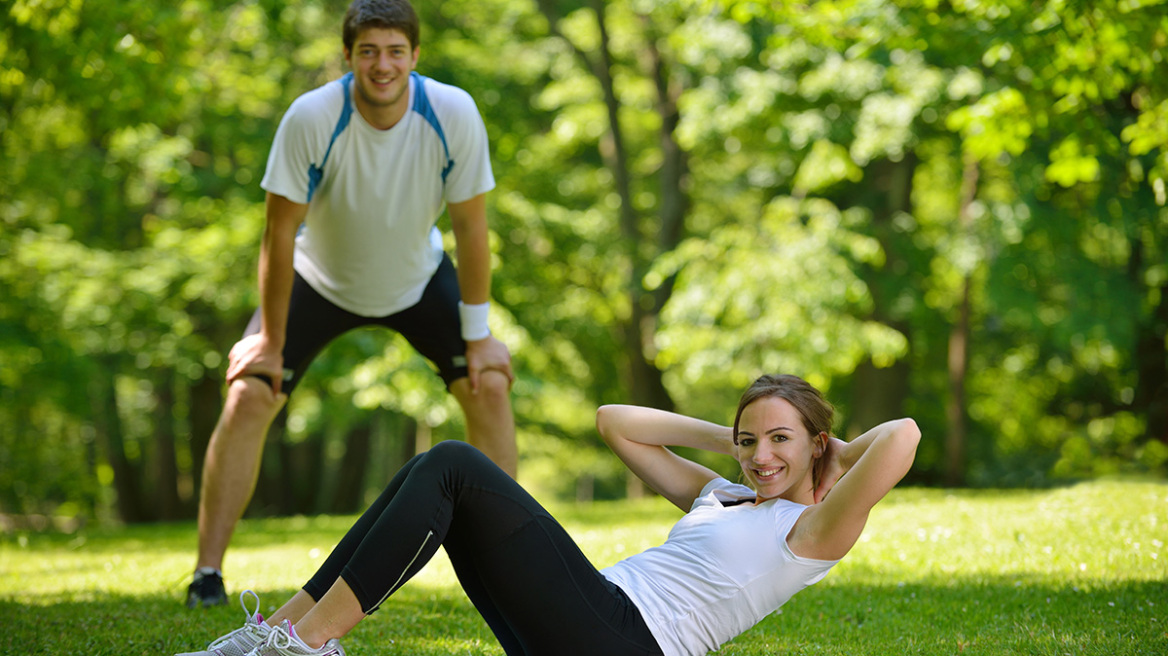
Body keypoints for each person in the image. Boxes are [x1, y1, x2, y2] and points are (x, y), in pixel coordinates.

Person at [174, 374, 920, 655]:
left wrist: (834, 452)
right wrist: (725, 438)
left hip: (630, 639)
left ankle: (305, 647)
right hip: (590, 623)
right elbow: (614, 420)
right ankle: (274, 634)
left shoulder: (813, 533)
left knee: (456, 467)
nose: (761, 456)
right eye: (750, 440)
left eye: (780, 441)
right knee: (428, 472)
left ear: (816, 444)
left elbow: (904, 438)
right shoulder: (719, 494)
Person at [186, 0, 518, 609]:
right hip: (320, 279)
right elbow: (279, 233)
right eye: (368, 51)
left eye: (395, 51)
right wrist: (270, 342)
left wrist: (478, 336)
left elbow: (472, 229)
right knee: (247, 392)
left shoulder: (453, 112)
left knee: (489, 382)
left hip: (416, 279)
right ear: (348, 57)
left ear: (415, 56)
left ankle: (515, 566)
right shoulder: (313, 117)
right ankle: (207, 574)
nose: (382, 64)